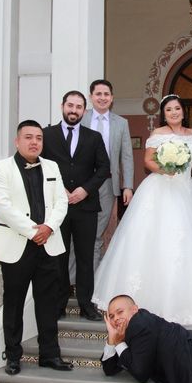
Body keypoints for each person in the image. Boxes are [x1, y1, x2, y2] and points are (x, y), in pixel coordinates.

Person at [92, 94, 192, 325]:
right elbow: (148, 161)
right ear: (164, 114)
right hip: (160, 188)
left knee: (186, 244)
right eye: (169, 110)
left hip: (186, 192)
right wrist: (166, 168)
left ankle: (185, 302)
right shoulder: (157, 134)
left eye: (177, 109)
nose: (174, 113)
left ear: (183, 111)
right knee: (152, 241)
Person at [0, 120, 72, 375]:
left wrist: (48, 228)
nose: (34, 142)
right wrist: (32, 231)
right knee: (13, 303)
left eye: (38, 138)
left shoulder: (52, 166)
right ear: (17, 141)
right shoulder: (0, 168)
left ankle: (50, 354)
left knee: (48, 302)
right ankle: (13, 356)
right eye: (28, 137)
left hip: (48, 244)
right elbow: (1, 205)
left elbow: (61, 202)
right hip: (17, 244)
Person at [41, 91, 111, 321]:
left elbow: (103, 168)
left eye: (79, 107)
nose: (74, 110)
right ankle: (59, 304)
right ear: (62, 106)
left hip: (85, 207)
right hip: (56, 207)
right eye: (70, 105)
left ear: (84, 109)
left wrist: (85, 190)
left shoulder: (94, 137)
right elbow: (39, 165)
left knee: (85, 257)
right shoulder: (46, 135)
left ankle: (86, 306)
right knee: (58, 257)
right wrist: (59, 190)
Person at [81, 79, 134, 270]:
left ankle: (92, 280)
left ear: (112, 98)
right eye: (98, 94)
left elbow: (126, 156)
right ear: (91, 97)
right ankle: (73, 279)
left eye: (106, 94)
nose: (102, 98)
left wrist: (127, 185)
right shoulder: (81, 118)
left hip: (107, 184)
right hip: (81, 184)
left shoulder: (121, 123)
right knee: (78, 232)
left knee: (96, 233)